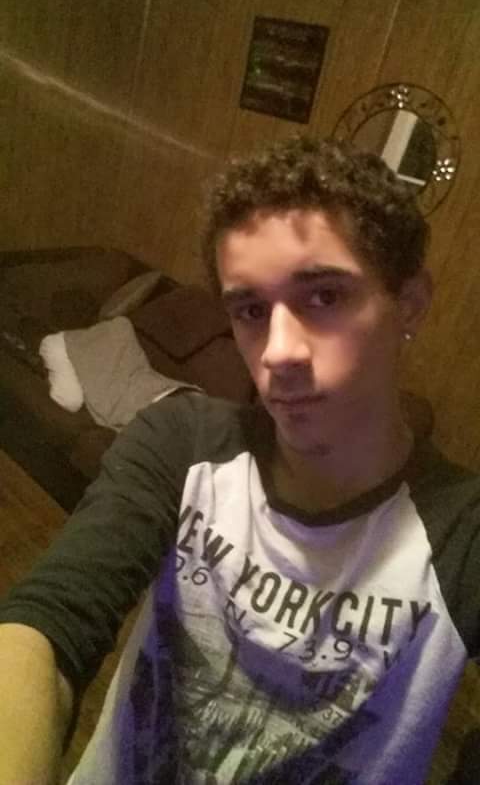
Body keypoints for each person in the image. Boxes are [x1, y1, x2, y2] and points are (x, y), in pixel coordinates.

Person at [0, 136, 479, 785]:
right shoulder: (183, 443)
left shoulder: (461, 534)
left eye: (324, 297)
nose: (278, 352)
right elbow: (47, 626)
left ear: (409, 305)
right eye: (251, 309)